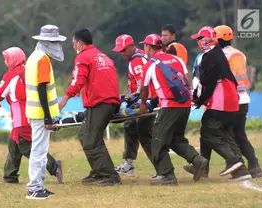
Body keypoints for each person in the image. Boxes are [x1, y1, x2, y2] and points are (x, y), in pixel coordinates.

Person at [184, 25, 262, 179]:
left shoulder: (214, 55)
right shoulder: (239, 54)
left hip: (224, 98)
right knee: (235, 134)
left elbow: (209, 80)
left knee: (211, 131)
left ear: (216, 38)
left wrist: (200, 99)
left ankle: (230, 163)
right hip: (242, 98)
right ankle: (252, 167)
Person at [0, 47, 63, 185]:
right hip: (34, 113)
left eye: (7, 58)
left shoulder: (11, 75)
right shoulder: (29, 70)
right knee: (14, 144)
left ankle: (54, 166)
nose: (5, 61)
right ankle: (10, 176)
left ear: (13, 59)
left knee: (26, 146)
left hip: (22, 118)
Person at [139, 34, 207, 185]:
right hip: (185, 103)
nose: (144, 48)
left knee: (157, 140)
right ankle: (197, 160)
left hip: (169, 106)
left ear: (148, 47)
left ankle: (167, 175)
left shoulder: (150, 64)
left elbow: (144, 88)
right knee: (176, 138)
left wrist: (143, 105)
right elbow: (186, 80)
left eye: (144, 45)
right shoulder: (177, 59)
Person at [59, 28, 121, 186]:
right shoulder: (103, 56)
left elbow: (77, 80)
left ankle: (110, 176)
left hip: (100, 103)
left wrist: (65, 98)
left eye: (73, 43)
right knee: (85, 135)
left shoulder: (83, 57)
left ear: (80, 43)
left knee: (90, 139)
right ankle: (98, 171)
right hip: (111, 101)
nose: (73, 47)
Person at [24, 25, 66, 199]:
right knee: (39, 152)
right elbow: (42, 88)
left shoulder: (34, 57)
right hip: (41, 115)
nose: (57, 46)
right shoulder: (42, 59)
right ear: (47, 43)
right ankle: (34, 188)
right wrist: (48, 116)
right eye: (54, 42)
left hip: (36, 113)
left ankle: (38, 186)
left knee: (39, 151)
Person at [111, 34, 156, 177]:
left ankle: (163, 169)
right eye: (120, 51)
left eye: (124, 50)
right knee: (129, 126)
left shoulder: (136, 61)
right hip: (145, 100)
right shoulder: (141, 56)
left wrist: (131, 98)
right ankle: (128, 165)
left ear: (132, 46)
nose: (122, 53)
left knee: (145, 135)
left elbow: (143, 86)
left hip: (144, 102)